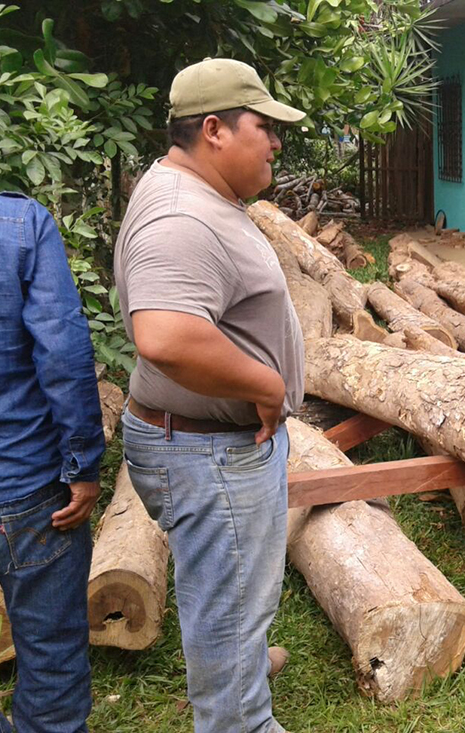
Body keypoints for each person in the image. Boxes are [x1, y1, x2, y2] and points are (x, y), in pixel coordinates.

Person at [114, 58, 306, 732]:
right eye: (266, 127)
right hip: (209, 452)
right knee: (227, 603)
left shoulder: (197, 194)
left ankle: (239, 659)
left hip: (206, 444)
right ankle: (239, 716)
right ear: (217, 130)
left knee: (232, 594)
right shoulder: (180, 214)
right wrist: (266, 382)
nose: (276, 143)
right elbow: (164, 335)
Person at [0, 192, 105, 730]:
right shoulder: (17, 224)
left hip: (23, 483)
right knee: (53, 659)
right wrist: (82, 466)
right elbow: (63, 349)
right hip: (27, 488)